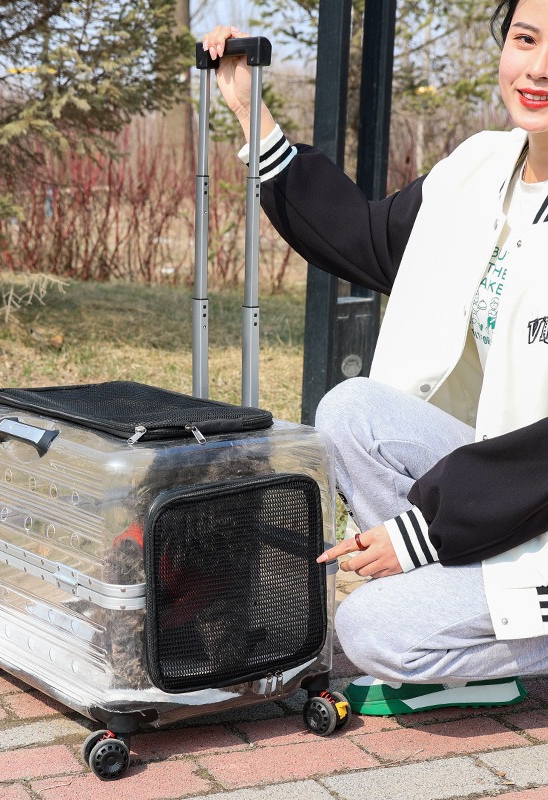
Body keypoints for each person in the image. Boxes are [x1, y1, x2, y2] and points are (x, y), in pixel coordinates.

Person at [202, 0, 548, 716]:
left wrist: (422, 534)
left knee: (369, 629)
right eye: (525, 38)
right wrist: (252, 115)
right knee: (351, 410)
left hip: (530, 486)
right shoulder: (483, 166)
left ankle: (472, 622)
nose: (538, 69)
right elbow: (362, 238)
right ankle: (461, 625)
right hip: (503, 489)